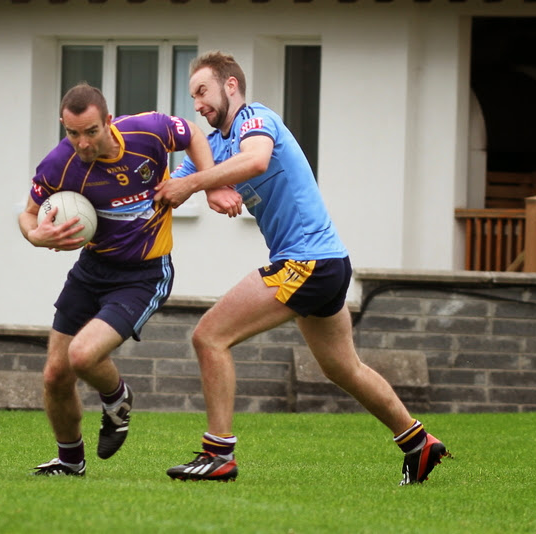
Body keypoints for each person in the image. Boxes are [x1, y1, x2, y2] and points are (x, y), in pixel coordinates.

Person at [155, 51, 449, 485]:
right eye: (192, 96)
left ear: (230, 85)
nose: (196, 104)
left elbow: (254, 161)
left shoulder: (256, 119)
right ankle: (419, 443)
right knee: (342, 368)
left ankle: (218, 455)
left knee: (209, 336)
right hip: (325, 264)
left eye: (202, 91)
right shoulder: (212, 147)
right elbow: (171, 188)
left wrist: (201, 184)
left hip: (308, 261)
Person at [18, 83, 238, 476]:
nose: (82, 142)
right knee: (55, 374)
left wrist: (211, 185)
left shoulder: (146, 131)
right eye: (72, 133)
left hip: (144, 273)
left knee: (83, 355)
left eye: (90, 131)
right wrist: (36, 235)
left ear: (108, 121)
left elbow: (192, 132)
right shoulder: (60, 164)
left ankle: (117, 399)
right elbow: (29, 213)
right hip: (91, 269)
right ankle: (70, 462)